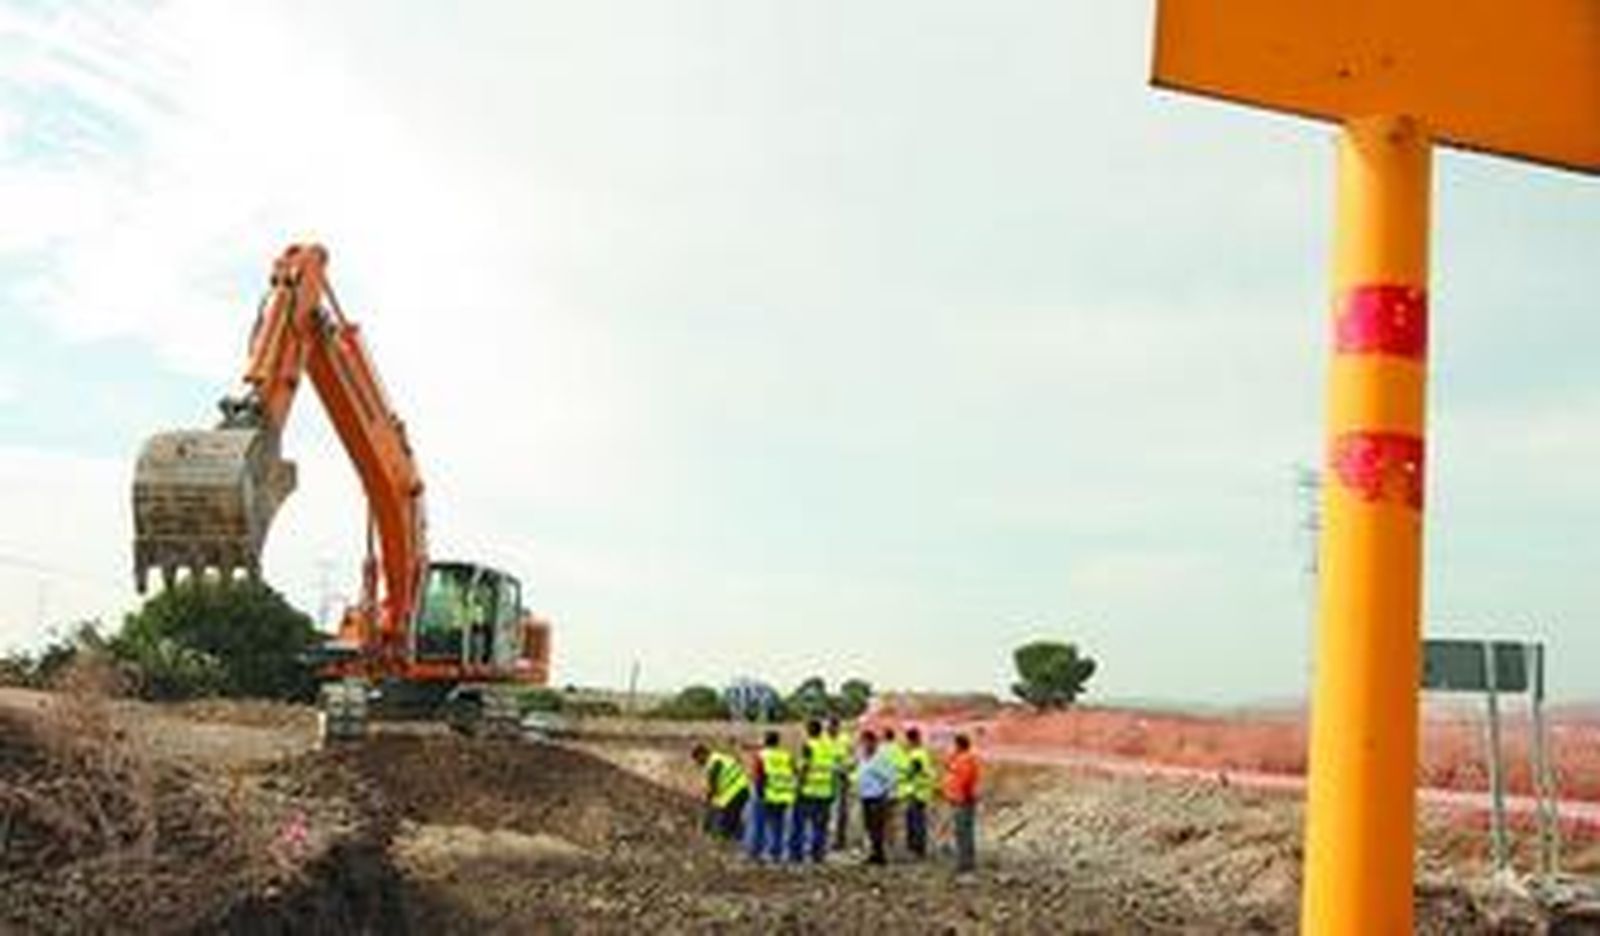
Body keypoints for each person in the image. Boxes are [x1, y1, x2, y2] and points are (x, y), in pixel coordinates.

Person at [790, 718, 838, 863]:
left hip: (809, 791)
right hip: (826, 791)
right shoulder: (829, 747)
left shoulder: (809, 746)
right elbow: (832, 769)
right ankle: (818, 855)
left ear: (809, 730)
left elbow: (805, 767)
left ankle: (797, 855)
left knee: (799, 824)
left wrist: (798, 784)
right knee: (820, 826)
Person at [751, 729, 796, 862]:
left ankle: (757, 854)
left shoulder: (761, 755)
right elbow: (794, 773)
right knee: (779, 826)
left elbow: (758, 777)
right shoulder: (786, 755)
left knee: (760, 825)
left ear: (765, 741)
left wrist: (759, 794)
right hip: (783, 795)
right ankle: (776, 854)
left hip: (767, 794)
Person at [854, 729, 897, 865]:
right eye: (863, 742)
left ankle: (880, 855)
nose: (864, 745)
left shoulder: (881, 758)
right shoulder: (862, 757)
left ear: (873, 743)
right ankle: (874, 853)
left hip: (877, 797)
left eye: (867, 742)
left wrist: (886, 793)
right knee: (869, 826)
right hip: (865, 796)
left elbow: (890, 777)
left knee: (877, 827)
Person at [692, 742, 751, 841]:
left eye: (698, 759)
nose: (698, 763)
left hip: (734, 792)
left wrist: (708, 798)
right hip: (743, 788)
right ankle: (739, 839)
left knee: (727, 822)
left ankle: (733, 840)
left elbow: (713, 785)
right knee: (734, 819)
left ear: (702, 754)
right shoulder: (721, 757)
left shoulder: (713, 762)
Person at [943, 732, 980, 874]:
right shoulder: (961, 759)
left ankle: (965, 862)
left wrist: (961, 797)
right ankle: (965, 860)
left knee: (963, 832)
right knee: (963, 831)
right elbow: (947, 764)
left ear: (958, 745)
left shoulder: (966, 760)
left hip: (963, 800)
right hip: (960, 799)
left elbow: (964, 781)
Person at [903, 727, 935, 858]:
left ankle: (917, 850)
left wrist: (902, 773)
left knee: (916, 822)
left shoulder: (916, 755)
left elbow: (912, 772)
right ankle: (917, 848)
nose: (908, 743)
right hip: (920, 791)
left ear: (913, 739)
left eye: (909, 740)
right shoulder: (922, 753)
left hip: (917, 792)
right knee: (916, 820)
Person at [826, 716, 854, 849]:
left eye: (831, 726)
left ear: (837, 727)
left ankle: (838, 840)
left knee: (840, 811)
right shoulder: (823, 740)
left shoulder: (845, 740)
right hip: (825, 779)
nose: (829, 729)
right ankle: (830, 839)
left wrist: (844, 768)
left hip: (841, 778)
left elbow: (853, 758)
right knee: (829, 811)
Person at [882, 726, 910, 852]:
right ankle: (894, 844)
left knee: (884, 818)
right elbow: (906, 769)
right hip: (897, 789)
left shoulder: (880, 750)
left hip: (883, 789)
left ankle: (885, 843)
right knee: (895, 819)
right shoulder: (899, 751)